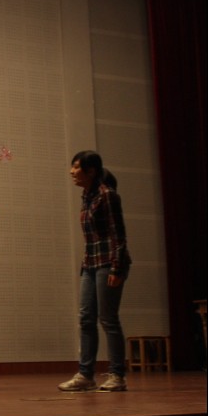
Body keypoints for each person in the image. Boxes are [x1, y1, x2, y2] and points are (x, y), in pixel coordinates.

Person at [59, 150, 132, 392]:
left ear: (90, 171)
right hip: (90, 263)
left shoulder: (107, 195)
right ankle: (85, 375)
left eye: (76, 167)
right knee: (86, 318)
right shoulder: (87, 196)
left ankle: (117, 376)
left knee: (108, 318)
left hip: (109, 262)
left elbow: (118, 235)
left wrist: (116, 268)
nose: (72, 171)